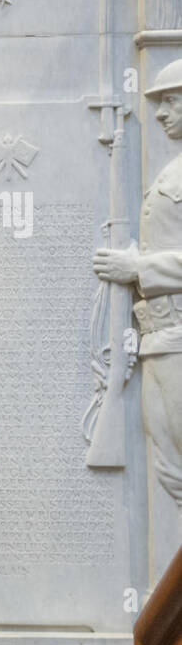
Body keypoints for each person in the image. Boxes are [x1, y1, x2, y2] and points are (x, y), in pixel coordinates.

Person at [93, 58, 182, 510]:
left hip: (177, 337)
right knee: (168, 465)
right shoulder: (173, 170)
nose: (162, 113)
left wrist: (139, 268)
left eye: (171, 101)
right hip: (160, 337)